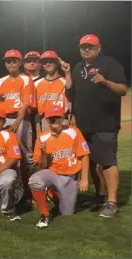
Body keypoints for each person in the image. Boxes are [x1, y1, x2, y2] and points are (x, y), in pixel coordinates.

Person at [65, 34, 129, 217]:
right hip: (84, 125)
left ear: (98, 48)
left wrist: (105, 81)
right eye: (83, 47)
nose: (86, 49)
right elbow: (72, 96)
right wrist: (74, 117)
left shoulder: (110, 64)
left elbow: (123, 90)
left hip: (105, 123)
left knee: (108, 162)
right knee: (91, 162)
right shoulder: (78, 68)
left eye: (90, 47)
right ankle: (100, 195)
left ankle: (112, 202)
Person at [29, 105, 90, 228]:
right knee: (34, 181)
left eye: (57, 117)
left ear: (62, 118)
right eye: (51, 118)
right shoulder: (42, 138)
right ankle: (45, 214)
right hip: (53, 174)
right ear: (46, 120)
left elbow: (84, 155)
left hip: (71, 176)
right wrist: (43, 153)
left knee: (67, 213)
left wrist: (84, 179)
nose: (54, 120)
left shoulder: (73, 131)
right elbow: (42, 166)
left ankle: (54, 193)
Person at [0, 49, 36, 209]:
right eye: (8, 61)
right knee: (6, 154)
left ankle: (28, 192)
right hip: (4, 119)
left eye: (14, 60)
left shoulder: (26, 79)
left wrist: (17, 122)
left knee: (26, 157)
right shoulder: (1, 81)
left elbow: (26, 103)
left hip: (21, 119)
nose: (11, 63)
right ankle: (10, 189)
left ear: (20, 63)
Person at [34, 51, 72, 135]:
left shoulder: (65, 81)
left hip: (62, 120)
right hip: (45, 121)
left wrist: (67, 72)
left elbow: (70, 93)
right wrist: (38, 128)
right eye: (44, 62)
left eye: (50, 61)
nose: (47, 64)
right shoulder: (36, 84)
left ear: (57, 62)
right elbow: (35, 110)